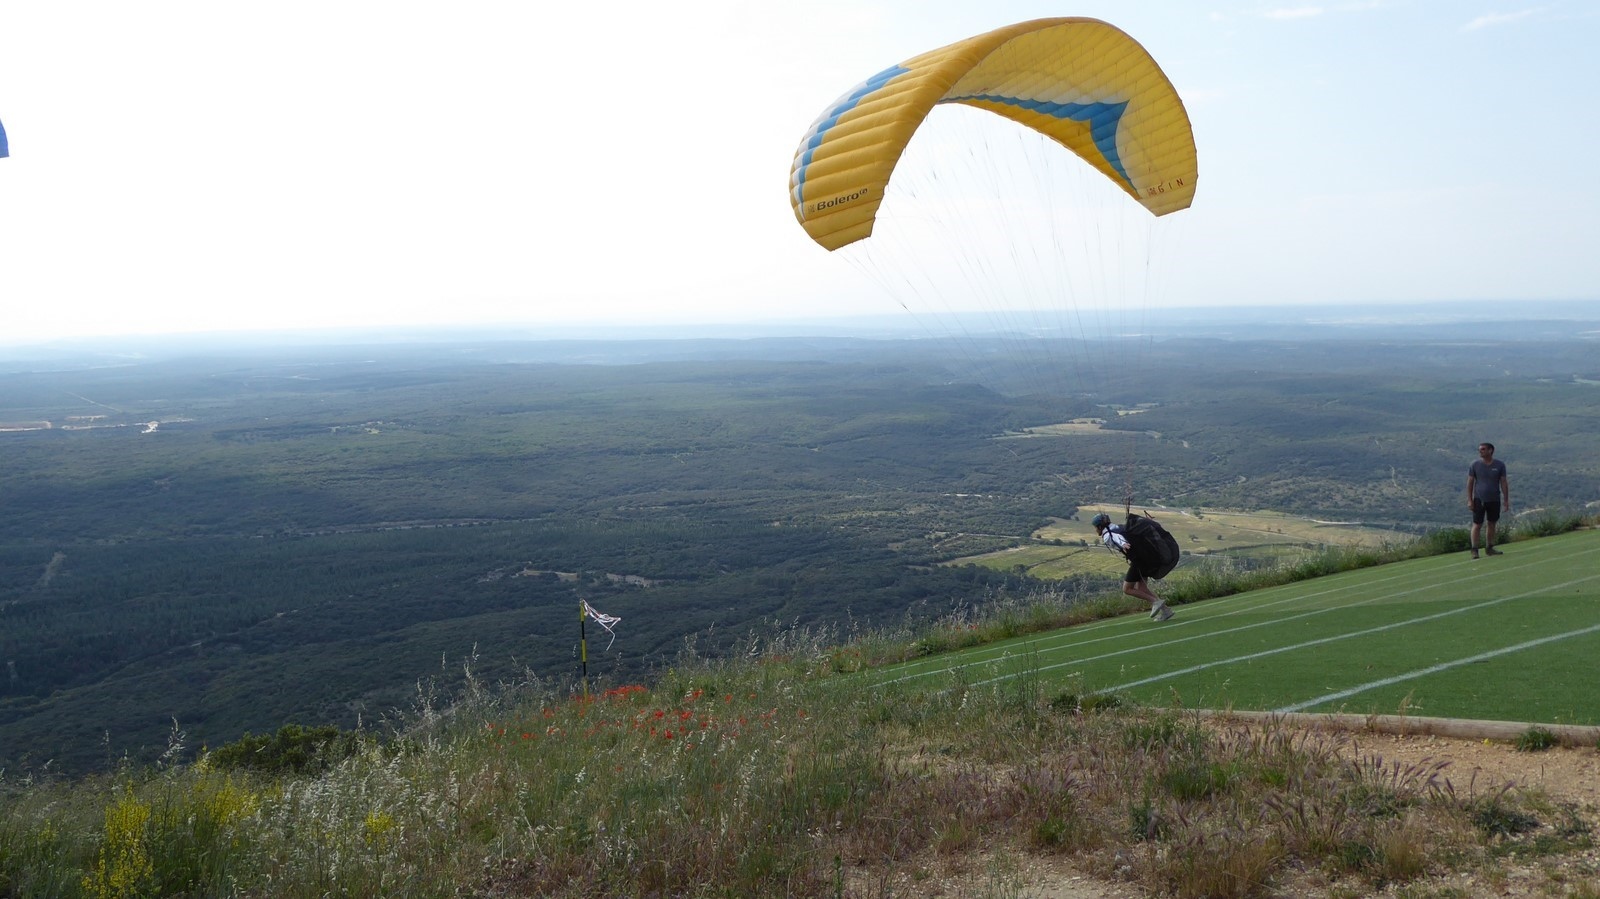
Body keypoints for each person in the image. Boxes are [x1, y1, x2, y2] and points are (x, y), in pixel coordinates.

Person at [1091, 512, 1174, 620]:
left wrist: (1122, 544)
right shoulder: (1119, 527)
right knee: (1142, 588)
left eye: (1095, 527)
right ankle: (1166, 610)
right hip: (1146, 558)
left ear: (1100, 526)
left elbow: (1116, 538)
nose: (1095, 530)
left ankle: (1155, 601)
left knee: (1127, 589)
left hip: (1139, 562)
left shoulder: (1107, 535)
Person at [1466, 442, 1510, 559]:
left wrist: (1506, 500)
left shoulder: (1500, 465)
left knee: (1491, 523)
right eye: (1480, 449)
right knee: (1477, 524)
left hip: (1494, 499)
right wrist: (1470, 500)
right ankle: (1474, 550)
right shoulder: (1475, 465)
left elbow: (1503, 482)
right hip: (1479, 499)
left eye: (1483, 449)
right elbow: (1470, 483)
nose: (1480, 451)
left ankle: (1489, 548)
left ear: (1490, 450)